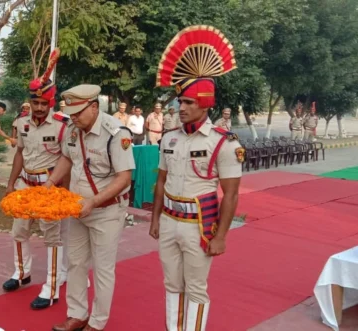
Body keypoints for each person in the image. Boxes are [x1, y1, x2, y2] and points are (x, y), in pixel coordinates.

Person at [151, 25, 243, 331]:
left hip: (198, 227)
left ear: (205, 103)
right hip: (169, 221)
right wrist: (154, 219)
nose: (182, 108)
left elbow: (230, 194)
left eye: (189, 103)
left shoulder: (224, 142)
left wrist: (221, 237)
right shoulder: (168, 138)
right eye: (181, 102)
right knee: (171, 284)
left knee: (196, 288)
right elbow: (160, 181)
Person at [44, 84, 135, 331]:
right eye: (70, 114)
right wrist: (51, 183)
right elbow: (66, 157)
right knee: (74, 262)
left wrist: (93, 202)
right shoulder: (73, 130)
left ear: (94, 107)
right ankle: (77, 314)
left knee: (103, 269)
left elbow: (124, 178)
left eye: (78, 113)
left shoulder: (117, 133)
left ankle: (96, 322)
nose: (73, 118)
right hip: (77, 209)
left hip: (106, 211)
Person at [3, 49, 71, 310]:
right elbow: (20, 153)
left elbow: (68, 159)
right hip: (25, 184)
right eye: (36, 103)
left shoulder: (62, 125)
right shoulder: (22, 123)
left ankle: (51, 288)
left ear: (51, 102)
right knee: (19, 231)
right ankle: (21, 273)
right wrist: (10, 183)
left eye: (44, 103)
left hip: (49, 186)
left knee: (52, 237)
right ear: (30, 102)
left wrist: (59, 190)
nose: (40, 108)